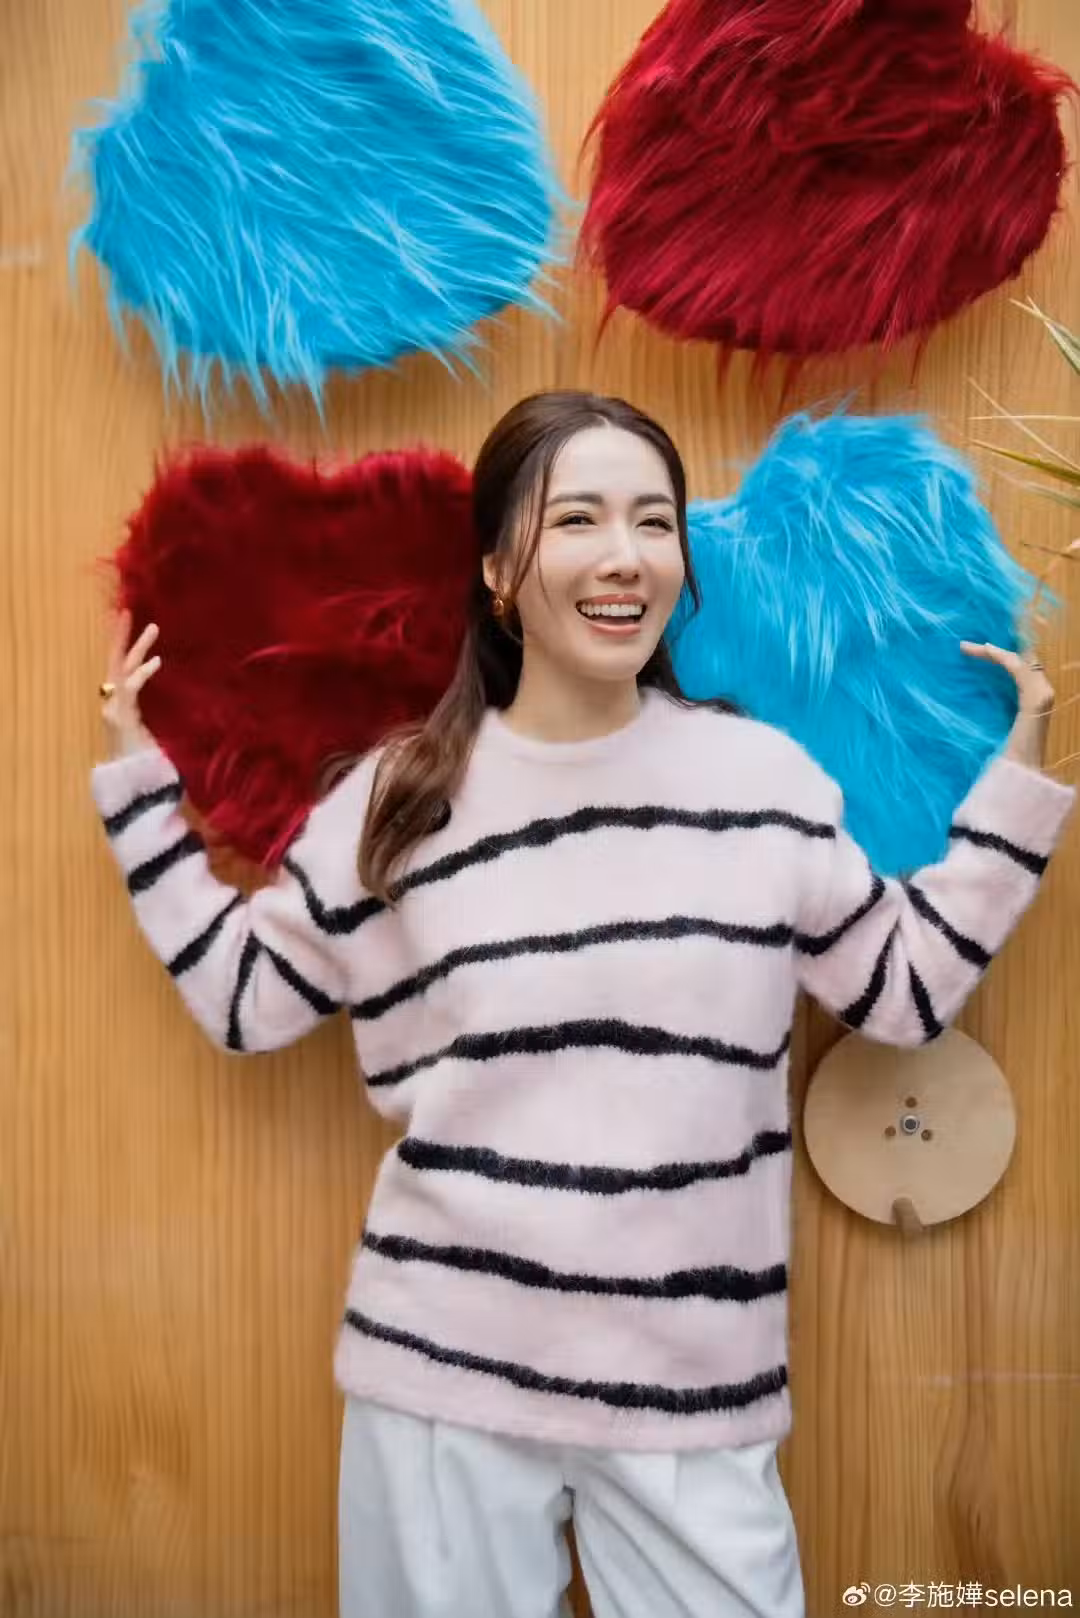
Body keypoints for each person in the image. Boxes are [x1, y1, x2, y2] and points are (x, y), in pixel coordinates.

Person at [92, 390, 1075, 1618]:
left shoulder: (759, 782)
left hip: (694, 1388)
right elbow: (246, 998)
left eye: (654, 521)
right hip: (444, 1378)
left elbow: (903, 988)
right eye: (578, 519)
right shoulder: (401, 801)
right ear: (499, 569)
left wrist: (1016, 784)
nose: (625, 555)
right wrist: (139, 789)